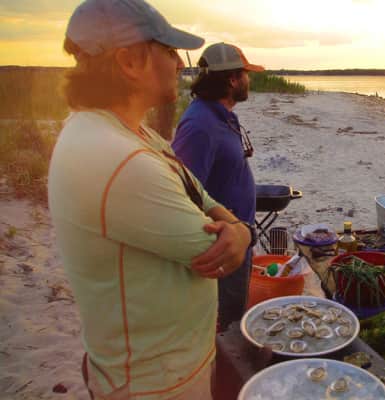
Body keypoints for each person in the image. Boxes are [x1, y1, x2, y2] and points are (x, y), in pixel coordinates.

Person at [49, 0, 256, 398]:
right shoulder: (115, 158)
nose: (179, 65)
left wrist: (233, 224)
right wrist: (241, 231)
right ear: (129, 61)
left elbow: (198, 190)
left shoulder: (127, 132)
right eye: (169, 51)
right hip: (153, 384)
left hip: (166, 366)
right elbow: (218, 251)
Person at [172, 42, 265, 330]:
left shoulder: (220, 114)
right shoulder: (199, 126)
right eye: (246, 74)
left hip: (238, 237)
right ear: (232, 79)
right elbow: (183, 193)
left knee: (235, 313)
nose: (249, 80)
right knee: (226, 324)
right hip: (222, 246)